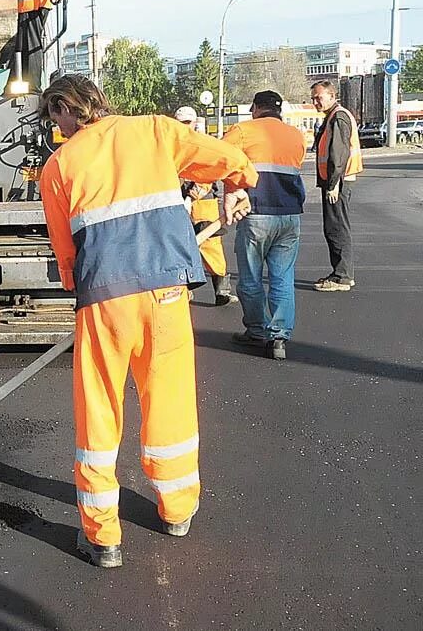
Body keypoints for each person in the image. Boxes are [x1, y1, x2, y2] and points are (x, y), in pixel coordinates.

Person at [38, 75, 256, 568]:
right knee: (170, 399)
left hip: (105, 301)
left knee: (99, 410)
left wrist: (80, 289)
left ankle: (103, 538)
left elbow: (65, 251)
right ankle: (177, 510)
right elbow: (229, 159)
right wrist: (237, 187)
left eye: (55, 117)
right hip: (165, 294)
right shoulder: (158, 132)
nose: (56, 127)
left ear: (65, 110)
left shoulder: (59, 166)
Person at [222, 91, 306, 360]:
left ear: (255, 108)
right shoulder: (295, 135)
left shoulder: (242, 131)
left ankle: (257, 330)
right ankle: (279, 337)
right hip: (290, 215)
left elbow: (219, 158)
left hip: (255, 213)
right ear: (279, 110)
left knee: (250, 277)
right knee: (282, 277)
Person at [173, 107, 236, 306]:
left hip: (203, 200)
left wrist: (191, 197)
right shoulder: (171, 145)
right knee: (178, 247)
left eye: (187, 122)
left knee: (210, 245)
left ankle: (222, 290)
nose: (185, 126)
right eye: (181, 122)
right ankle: (184, 289)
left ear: (194, 122)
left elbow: (209, 174)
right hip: (176, 200)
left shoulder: (204, 144)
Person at [310, 80, 362, 291]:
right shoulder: (334, 116)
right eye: (313, 98)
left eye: (319, 98)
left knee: (336, 227)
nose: (315, 102)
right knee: (335, 227)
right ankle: (340, 273)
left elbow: (338, 154)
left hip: (337, 182)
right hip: (336, 181)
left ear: (332, 96)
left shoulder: (338, 117)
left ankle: (342, 276)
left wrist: (332, 184)